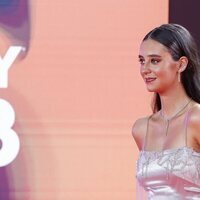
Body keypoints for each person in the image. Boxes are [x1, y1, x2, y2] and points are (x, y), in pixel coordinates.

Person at [132, 24, 200, 199]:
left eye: (155, 60)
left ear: (181, 64)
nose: (145, 69)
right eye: (141, 60)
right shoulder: (141, 128)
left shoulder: (196, 119)